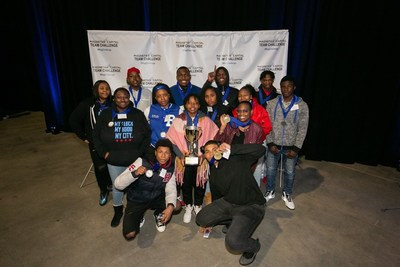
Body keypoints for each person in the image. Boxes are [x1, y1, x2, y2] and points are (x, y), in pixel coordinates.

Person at [196, 141, 266, 266]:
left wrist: (232, 148)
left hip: (251, 206)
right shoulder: (213, 173)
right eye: (207, 151)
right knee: (201, 218)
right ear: (205, 156)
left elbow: (261, 149)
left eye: (214, 149)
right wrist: (211, 221)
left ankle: (253, 247)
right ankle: (230, 222)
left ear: (220, 150)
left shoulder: (237, 159)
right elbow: (217, 198)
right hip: (229, 203)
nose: (211, 153)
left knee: (233, 243)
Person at [93, 87, 151, 227]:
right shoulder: (106, 114)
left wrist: (140, 153)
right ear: (114, 98)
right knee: (117, 186)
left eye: (125, 97)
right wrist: (104, 153)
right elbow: (96, 135)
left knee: (135, 187)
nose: (123, 100)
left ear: (129, 98)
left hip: (134, 160)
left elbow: (147, 134)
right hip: (114, 160)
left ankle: (134, 211)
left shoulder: (137, 114)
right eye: (119, 97)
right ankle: (118, 210)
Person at [166, 93, 219, 223]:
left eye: (195, 103)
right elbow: (171, 141)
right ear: (185, 105)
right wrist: (180, 155)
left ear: (199, 105)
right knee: (186, 183)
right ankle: (188, 206)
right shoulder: (179, 120)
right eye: (189, 103)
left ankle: (198, 205)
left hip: (201, 160)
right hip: (183, 159)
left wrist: (204, 154)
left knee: (200, 183)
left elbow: (214, 136)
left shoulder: (205, 120)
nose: (192, 106)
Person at [114, 139, 179, 240]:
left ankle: (159, 214)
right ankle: (139, 216)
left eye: (166, 153)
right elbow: (117, 184)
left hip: (156, 198)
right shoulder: (142, 161)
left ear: (170, 154)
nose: (163, 156)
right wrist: (134, 173)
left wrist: (170, 207)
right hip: (138, 199)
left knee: (176, 204)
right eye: (160, 152)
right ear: (155, 152)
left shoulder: (171, 167)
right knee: (129, 234)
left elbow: (171, 188)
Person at [264, 76, 309, 210]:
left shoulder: (302, 105)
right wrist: (270, 143)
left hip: (291, 147)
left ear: (294, 88)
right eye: (283, 86)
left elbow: (303, 128)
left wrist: (296, 148)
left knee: (290, 172)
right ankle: (270, 191)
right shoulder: (272, 104)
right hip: (274, 145)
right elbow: (267, 125)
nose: (286, 89)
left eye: (289, 86)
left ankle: (287, 193)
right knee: (271, 170)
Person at [69, 80, 113, 206]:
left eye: (107, 89)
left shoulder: (112, 104)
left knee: (112, 165)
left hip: (112, 143)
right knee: (100, 168)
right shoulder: (87, 104)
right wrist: (83, 137)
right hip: (96, 143)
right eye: (102, 88)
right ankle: (103, 190)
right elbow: (73, 120)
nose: (105, 91)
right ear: (96, 90)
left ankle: (111, 185)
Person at [232, 84, 272, 187]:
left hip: (257, 142)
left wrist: (257, 138)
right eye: (240, 96)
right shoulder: (236, 110)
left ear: (250, 96)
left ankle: (255, 189)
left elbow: (267, 127)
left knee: (256, 167)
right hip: (241, 143)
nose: (242, 98)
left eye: (245, 95)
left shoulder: (260, 109)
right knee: (242, 167)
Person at [143, 83, 182, 161]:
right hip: (154, 148)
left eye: (165, 95)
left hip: (172, 149)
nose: (162, 98)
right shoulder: (149, 110)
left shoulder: (178, 110)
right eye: (159, 96)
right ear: (155, 98)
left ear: (169, 95)